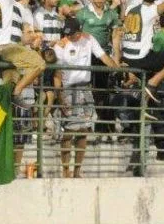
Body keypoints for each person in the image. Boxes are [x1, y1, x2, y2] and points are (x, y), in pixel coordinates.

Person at [51, 18, 122, 178]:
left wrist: (116, 68)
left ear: (80, 31)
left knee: (83, 130)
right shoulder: (60, 46)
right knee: (68, 131)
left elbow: (103, 56)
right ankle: (65, 170)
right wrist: (59, 97)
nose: (69, 37)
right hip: (68, 89)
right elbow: (57, 74)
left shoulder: (89, 39)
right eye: (67, 34)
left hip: (86, 89)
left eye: (73, 34)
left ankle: (77, 170)